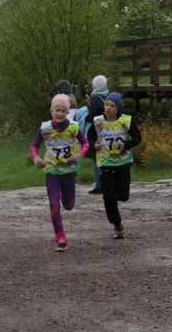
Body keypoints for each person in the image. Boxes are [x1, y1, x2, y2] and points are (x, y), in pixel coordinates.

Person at [30, 94, 89, 252]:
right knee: (54, 205)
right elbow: (34, 146)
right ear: (52, 111)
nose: (60, 113)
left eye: (63, 110)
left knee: (69, 206)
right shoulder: (45, 128)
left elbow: (85, 144)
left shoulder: (73, 127)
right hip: (52, 171)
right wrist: (36, 158)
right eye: (57, 110)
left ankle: (65, 197)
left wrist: (78, 156)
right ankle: (60, 237)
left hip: (68, 171)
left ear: (67, 112)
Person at [87, 92, 142, 239]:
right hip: (105, 162)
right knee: (109, 195)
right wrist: (94, 145)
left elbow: (138, 138)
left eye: (112, 105)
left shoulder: (126, 121)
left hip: (123, 161)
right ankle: (117, 225)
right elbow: (90, 138)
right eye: (107, 104)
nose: (109, 108)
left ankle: (117, 198)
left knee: (123, 196)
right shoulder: (97, 122)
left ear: (118, 108)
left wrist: (127, 144)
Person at [86, 75, 110, 194]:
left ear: (94, 86)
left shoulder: (95, 97)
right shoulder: (109, 95)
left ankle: (100, 185)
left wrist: (86, 113)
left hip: (96, 132)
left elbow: (91, 116)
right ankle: (109, 183)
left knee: (96, 159)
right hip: (109, 130)